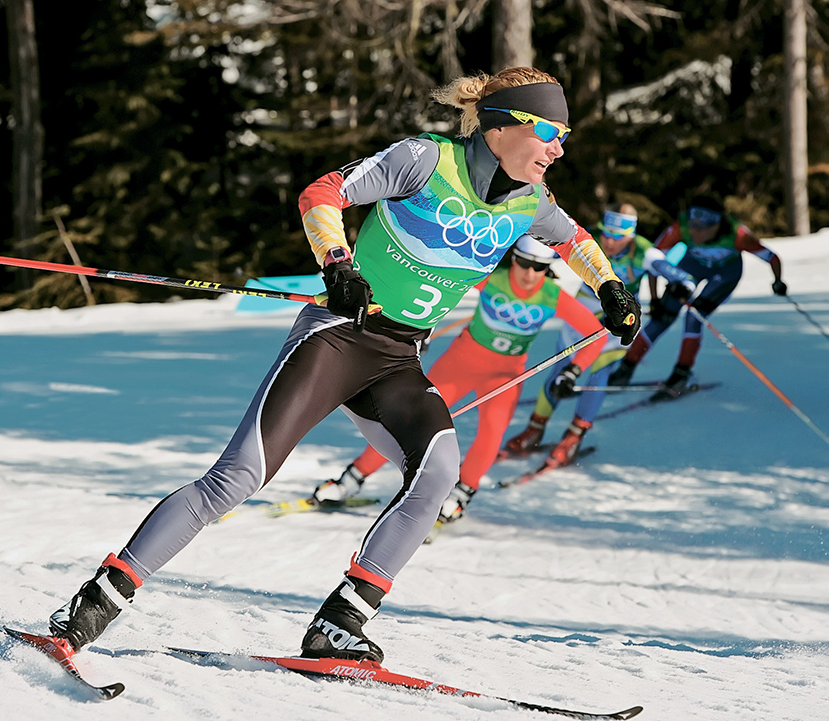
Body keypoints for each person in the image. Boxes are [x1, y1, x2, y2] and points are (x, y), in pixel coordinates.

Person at [44, 67, 641, 666]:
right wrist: (339, 264)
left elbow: (575, 240)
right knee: (238, 479)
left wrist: (610, 287)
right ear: (504, 125)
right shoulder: (426, 159)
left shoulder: (530, 202)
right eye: (550, 132)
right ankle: (92, 608)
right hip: (336, 336)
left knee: (436, 476)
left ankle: (339, 622)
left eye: (564, 135)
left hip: (398, 357)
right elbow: (322, 191)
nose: (559, 148)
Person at [313, 235, 606, 523]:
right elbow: (441, 284)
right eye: (524, 262)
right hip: (461, 363)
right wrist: (419, 327)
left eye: (539, 267)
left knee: (491, 433)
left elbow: (595, 335)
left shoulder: (551, 295)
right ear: (513, 259)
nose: (530, 273)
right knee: (412, 419)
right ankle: (352, 478)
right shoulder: (491, 277)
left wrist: (574, 369)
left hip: (505, 376)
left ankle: (461, 492)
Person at [504, 202, 696, 463]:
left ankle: (574, 435)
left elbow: (681, 276)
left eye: (617, 236)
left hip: (615, 324)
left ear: (630, 235)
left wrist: (682, 287)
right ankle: (535, 428)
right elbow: (553, 244)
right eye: (606, 232)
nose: (608, 240)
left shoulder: (643, 251)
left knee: (597, 374)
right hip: (578, 314)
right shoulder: (590, 236)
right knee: (558, 369)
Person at [608, 192, 786, 397]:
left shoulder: (737, 234)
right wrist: (656, 299)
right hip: (691, 267)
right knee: (662, 316)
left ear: (716, 226)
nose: (693, 231)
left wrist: (778, 281)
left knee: (694, 318)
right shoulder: (680, 227)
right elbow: (653, 260)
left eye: (700, 228)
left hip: (725, 275)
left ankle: (681, 373)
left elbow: (772, 258)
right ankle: (626, 368)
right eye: (692, 225)